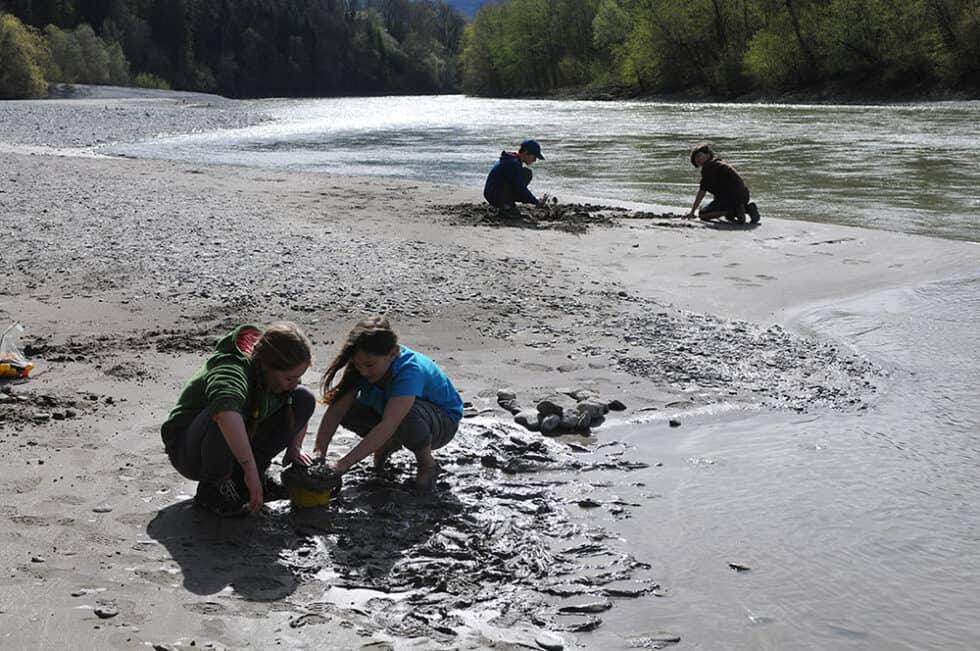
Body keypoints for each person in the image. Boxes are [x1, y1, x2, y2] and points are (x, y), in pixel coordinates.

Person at [161, 323, 315, 517]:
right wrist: (249, 470)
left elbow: (292, 401)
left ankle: (244, 480)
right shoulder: (232, 367)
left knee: (304, 398)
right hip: (189, 451)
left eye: (297, 377)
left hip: (234, 436)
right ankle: (214, 488)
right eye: (289, 378)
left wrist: (295, 447)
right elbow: (225, 412)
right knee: (228, 410)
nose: (293, 384)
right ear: (267, 365)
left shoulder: (278, 378)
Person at [313, 316, 463, 492]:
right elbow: (336, 411)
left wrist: (342, 465)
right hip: (392, 413)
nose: (363, 371)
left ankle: (427, 464)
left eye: (369, 365)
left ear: (393, 353)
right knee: (348, 408)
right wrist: (319, 453)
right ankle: (386, 443)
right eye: (357, 364)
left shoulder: (409, 371)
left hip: (442, 423)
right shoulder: (361, 364)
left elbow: (389, 424)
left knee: (405, 415)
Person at [685, 144, 760, 224]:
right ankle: (748, 208)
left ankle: (734, 211)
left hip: (729, 199)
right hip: (744, 197)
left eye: (699, 156)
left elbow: (702, 192)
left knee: (703, 214)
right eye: (695, 157)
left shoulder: (708, 168)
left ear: (708, 155)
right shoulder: (719, 163)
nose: (697, 159)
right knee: (724, 211)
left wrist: (692, 212)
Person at [483, 139, 550, 212]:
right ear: (526, 152)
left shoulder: (513, 160)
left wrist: (533, 199)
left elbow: (519, 187)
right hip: (494, 195)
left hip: (493, 192)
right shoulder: (513, 164)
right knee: (526, 174)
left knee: (525, 173)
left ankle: (507, 202)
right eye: (534, 157)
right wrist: (536, 202)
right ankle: (505, 205)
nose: (535, 160)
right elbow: (520, 188)